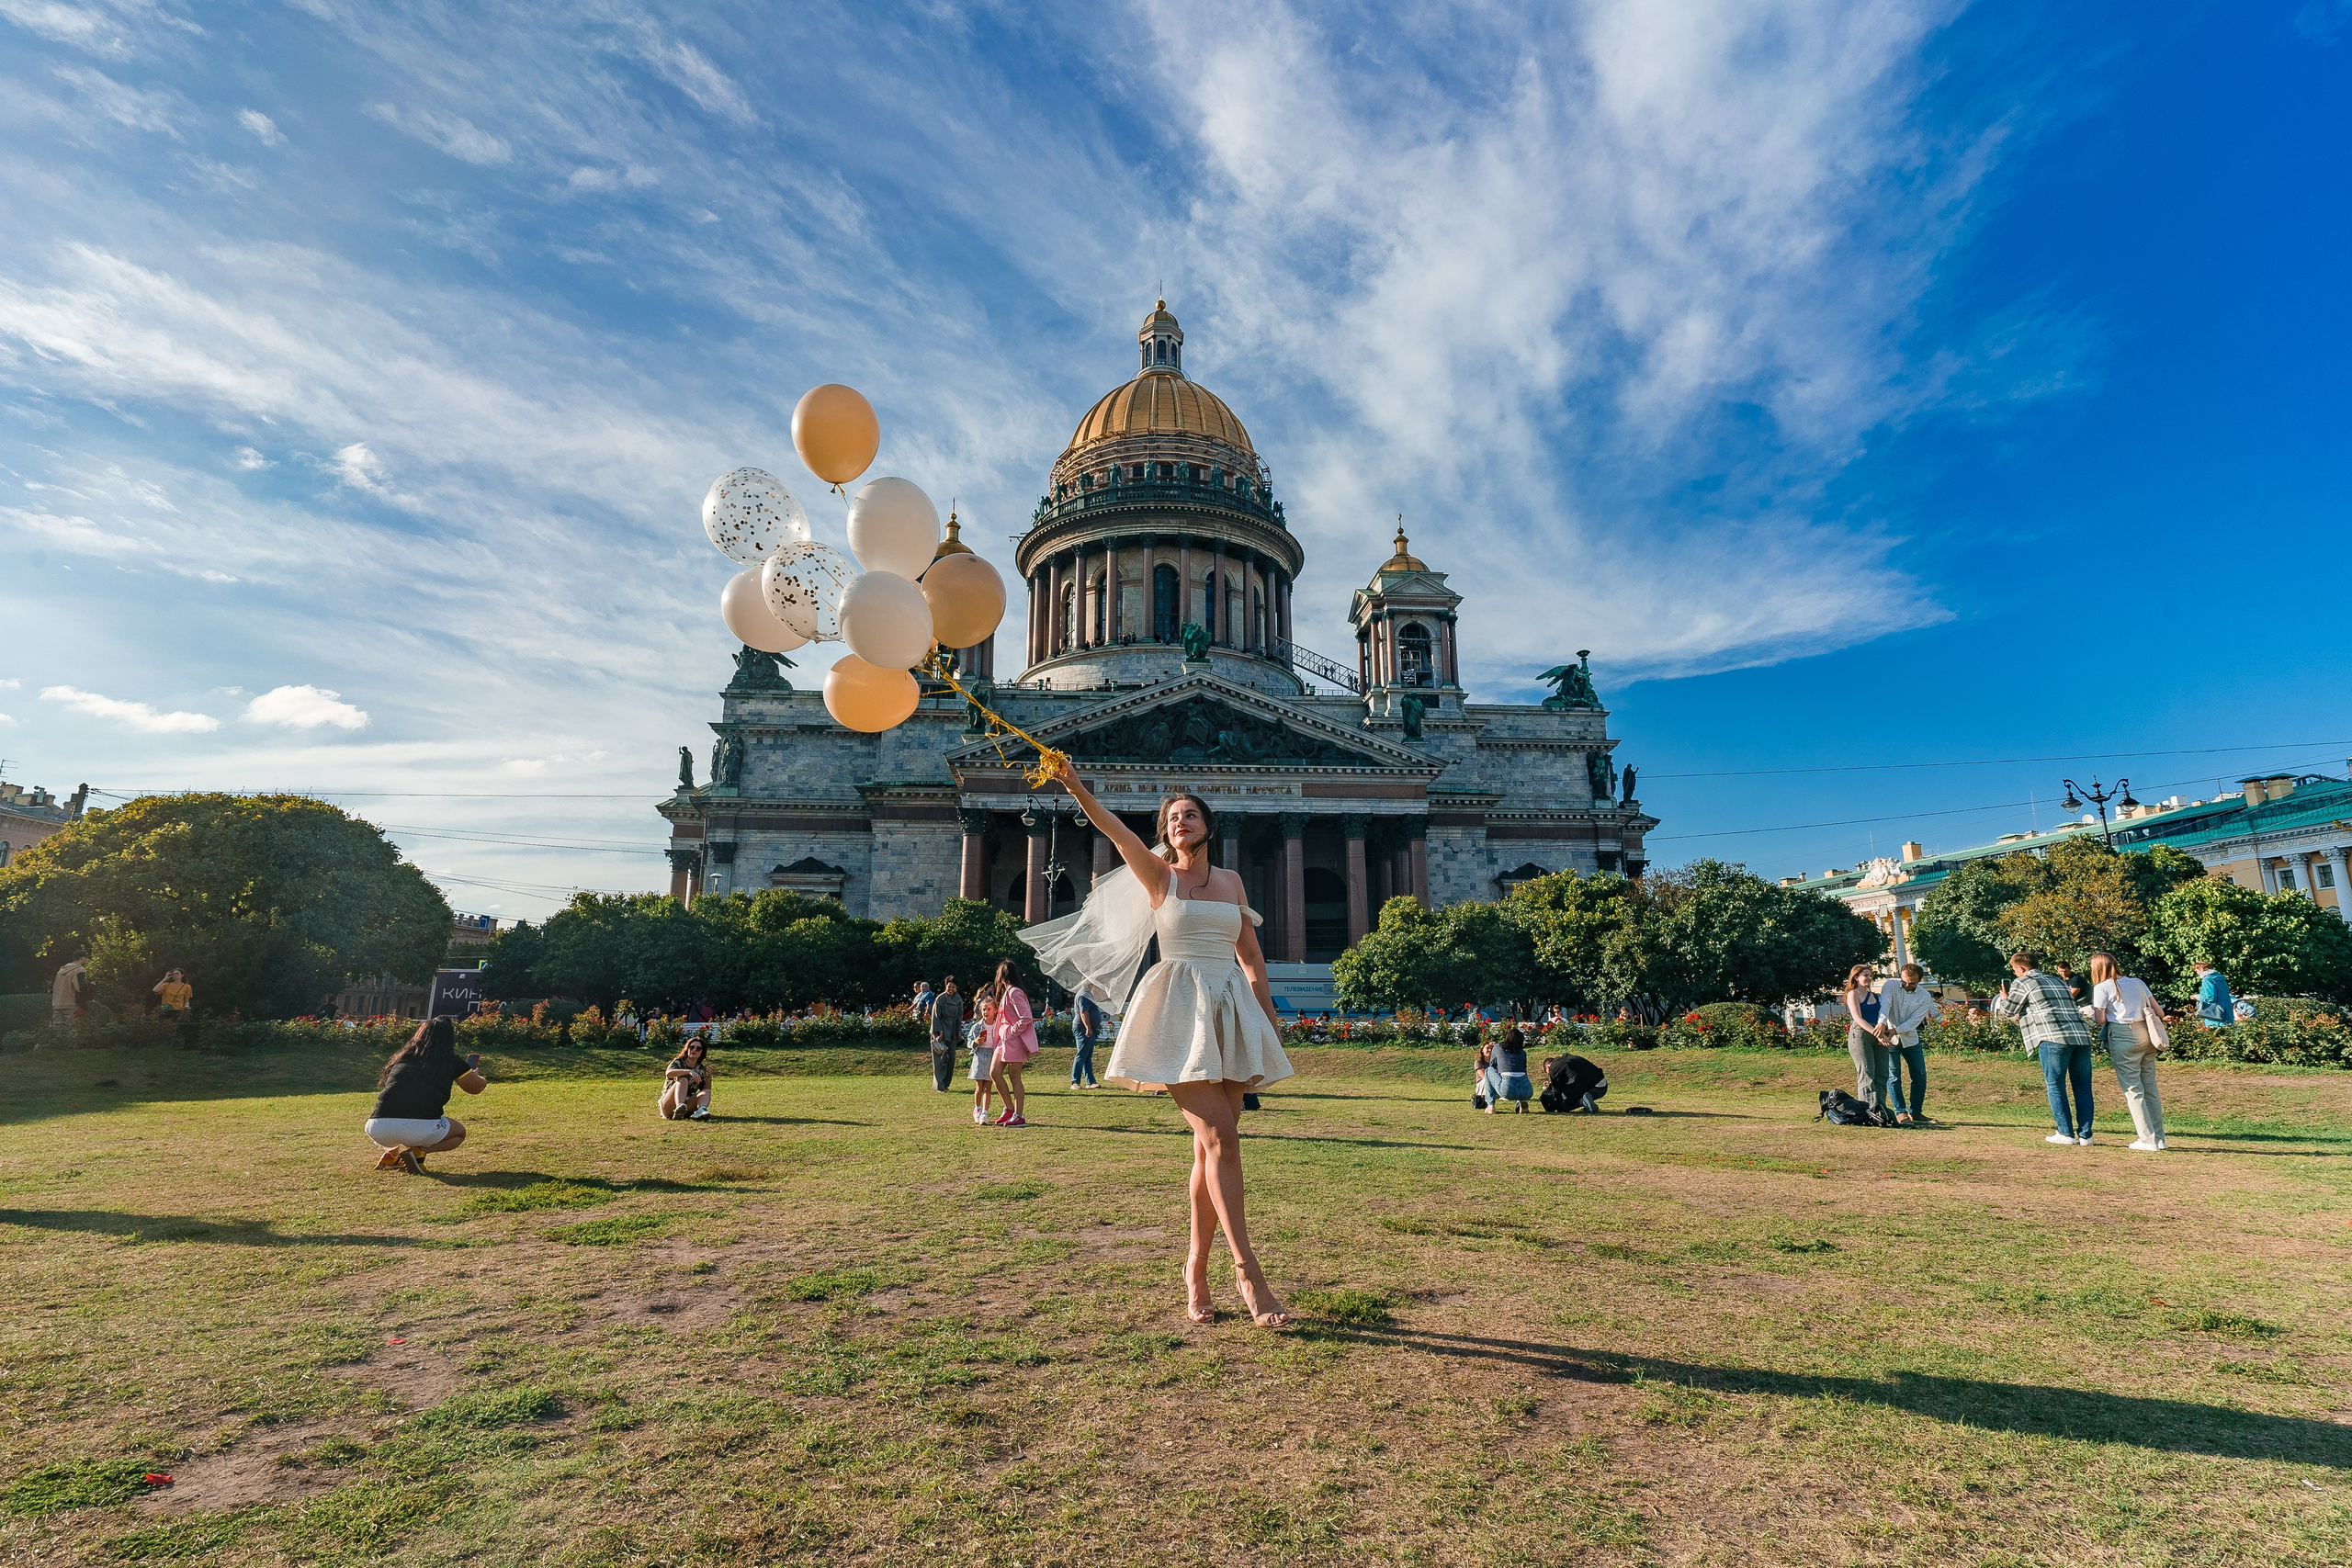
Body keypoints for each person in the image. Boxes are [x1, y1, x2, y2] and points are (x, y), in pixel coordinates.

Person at [1026, 759, 1293, 1327]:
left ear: (1208, 826)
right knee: (1219, 1137)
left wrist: (1267, 1020)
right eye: (1172, 817)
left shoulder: (1232, 883)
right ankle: (1250, 1274)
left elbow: (1252, 958)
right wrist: (1074, 785)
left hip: (1229, 1010)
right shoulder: (1157, 876)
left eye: (1190, 815)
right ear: (1164, 831)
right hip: (1178, 1010)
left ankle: (1195, 1267)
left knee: (1208, 1150)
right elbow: (1112, 830)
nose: (1181, 822)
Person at [1994, 949, 2099, 1145]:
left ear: (2022, 968)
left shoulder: (2022, 982)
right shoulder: (2059, 980)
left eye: (2015, 969)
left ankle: (2065, 1133)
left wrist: (2004, 997)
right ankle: (2086, 1136)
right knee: (2083, 1087)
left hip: (2052, 1037)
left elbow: (2009, 1011)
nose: (2015, 973)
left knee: (2055, 1085)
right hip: (2080, 1036)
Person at [364, 1018, 486, 1173]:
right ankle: (418, 1152)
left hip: (377, 1127)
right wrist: (477, 1076)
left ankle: (391, 1156)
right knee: (459, 1133)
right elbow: (476, 1088)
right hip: (418, 1128)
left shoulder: (402, 1058)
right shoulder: (451, 1061)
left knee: (399, 1115)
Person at [2087, 951, 2167, 1151]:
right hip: (2147, 1034)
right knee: (2150, 1088)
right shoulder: (2138, 982)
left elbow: (2100, 1020)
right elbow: (2159, 1012)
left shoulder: (2102, 987)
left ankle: (2147, 1140)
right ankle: (2159, 1138)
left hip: (2123, 1035)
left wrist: (2089, 1012)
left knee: (2133, 1089)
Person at [1875, 964, 1937, 1125]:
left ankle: (1916, 1112)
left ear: (1919, 981)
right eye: (1905, 982)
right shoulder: (1890, 985)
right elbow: (1886, 1004)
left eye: (1912, 983)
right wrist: (1882, 1023)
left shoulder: (1924, 996)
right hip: (1890, 1040)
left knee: (1920, 1076)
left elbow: (1915, 1020)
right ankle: (1900, 1112)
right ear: (1900, 976)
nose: (1907, 986)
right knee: (1894, 1076)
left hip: (1910, 1039)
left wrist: (1895, 1030)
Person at [984, 959, 1036, 1127]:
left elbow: (1026, 1016)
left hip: (1014, 1041)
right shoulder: (1008, 992)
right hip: (1004, 1041)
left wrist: (1013, 1032)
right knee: (995, 1073)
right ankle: (1009, 1108)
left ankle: (1018, 1115)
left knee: (1015, 1078)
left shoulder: (1014, 992)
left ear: (1003, 974)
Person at [1842, 964, 1892, 1125]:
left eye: (1870, 975)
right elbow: (1858, 1019)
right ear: (1856, 977)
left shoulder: (1875, 996)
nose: (1869, 978)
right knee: (1867, 1073)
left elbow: (1882, 1016)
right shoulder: (1853, 994)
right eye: (1865, 975)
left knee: (1882, 1073)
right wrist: (1877, 1034)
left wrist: (1883, 1034)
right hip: (1861, 1034)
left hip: (1878, 1034)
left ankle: (1880, 1110)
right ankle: (1868, 1112)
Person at [1483, 1027, 1535, 1113]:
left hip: (1508, 1088)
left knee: (1489, 1070)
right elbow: (1524, 1070)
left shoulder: (1497, 1048)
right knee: (1521, 1075)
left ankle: (1490, 1106)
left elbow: (1492, 1065)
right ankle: (1522, 1101)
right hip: (1527, 1090)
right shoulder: (1523, 1053)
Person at [660, 1037, 713, 1120]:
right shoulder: (678, 1062)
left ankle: (701, 1110)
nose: (694, 1049)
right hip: (669, 1103)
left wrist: (709, 1078)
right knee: (683, 1080)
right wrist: (687, 1071)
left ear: (702, 1052)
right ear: (687, 1049)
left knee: (706, 1092)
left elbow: (705, 1090)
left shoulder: (701, 1069)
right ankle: (679, 1106)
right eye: (692, 1047)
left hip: (688, 1102)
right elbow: (668, 1073)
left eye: (698, 1048)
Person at [1541, 1051, 1608, 1112]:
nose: (1551, 1076)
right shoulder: (1567, 1059)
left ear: (1548, 1066)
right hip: (1602, 1087)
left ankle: (1583, 1101)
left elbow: (1557, 1092)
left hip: (1591, 1086)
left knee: (1562, 1106)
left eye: (1549, 1074)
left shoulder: (1554, 1066)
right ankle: (1586, 1102)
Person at [928, 976, 963, 1093]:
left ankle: (946, 1084)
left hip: (952, 1030)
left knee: (951, 1057)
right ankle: (939, 1085)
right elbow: (936, 1016)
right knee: (940, 1058)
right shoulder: (940, 999)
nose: (951, 989)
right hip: (940, 1029)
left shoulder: (958, 999)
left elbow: (959, 1017)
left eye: (953, 987)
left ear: (956, 987)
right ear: (945, 986)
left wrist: (958, 1031)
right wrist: (939, 1032)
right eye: (949, 986)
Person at [967, 993, 998, 1123]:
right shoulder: (977, 1027)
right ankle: (977, 1109)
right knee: (979, 1085)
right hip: (980, 1055)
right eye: (984, 1009)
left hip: (992, 1055)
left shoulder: (998, 1026)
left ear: (995, 1010)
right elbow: (969, 1042)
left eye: (989, 1009)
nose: (986, 1012)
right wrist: (975, 1041)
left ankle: (985, 1112)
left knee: (988, 1086)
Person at [1070, 990, 1104, 1089]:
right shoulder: (1083, 995)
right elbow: (1083, 1012)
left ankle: (1090, 1081)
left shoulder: (1088, 995)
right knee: (1081, 1055)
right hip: (1083, 1028)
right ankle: (1075, 1082)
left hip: (1088, 1029)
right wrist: (1088, 1028)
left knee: (1087, 1056)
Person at [2192, 959, 2235, 1030]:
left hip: (2215, 1015)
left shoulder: (2207, 979)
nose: (2197, 973)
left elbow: (2211, 997)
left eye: (2196, 971)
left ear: (2201, 968)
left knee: (2216, 1036)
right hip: (2226, 1011)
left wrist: (2197, 997)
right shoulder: (2220, 979)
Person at [51, 955, 90, 1027]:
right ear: (82, 958)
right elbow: (79, 988)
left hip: (57, 1003)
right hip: (71, 1004)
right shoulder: (79, 970)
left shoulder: (60, 971)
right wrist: (90, 986)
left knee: (57, 1031)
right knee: (73, 1030)